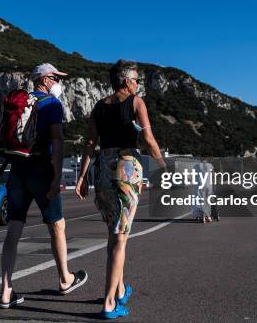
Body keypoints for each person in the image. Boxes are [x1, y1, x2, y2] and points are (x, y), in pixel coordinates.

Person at [75, 59, 166, 319]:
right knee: (120, 237)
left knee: (115, 235)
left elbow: (90, 143)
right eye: (137, 80)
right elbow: (147, 139)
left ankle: (120, 288)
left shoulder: (99, 106)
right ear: (127, 81)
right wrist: (162, 167)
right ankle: (109, 303)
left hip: (103, 168)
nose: (138, 85)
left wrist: (82, 177)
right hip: (126, 167)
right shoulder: (136, 103)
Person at [0, 63, 88, 309]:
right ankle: (65, 279)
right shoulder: (51, 104)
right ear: (46, 79)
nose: (60, 81)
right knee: (57, 225)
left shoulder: (21, 102)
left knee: (14, 229)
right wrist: (56, 178)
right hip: (41, 170)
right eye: (57, 77)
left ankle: (6, 292)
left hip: (17, 170)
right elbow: (57, 143)